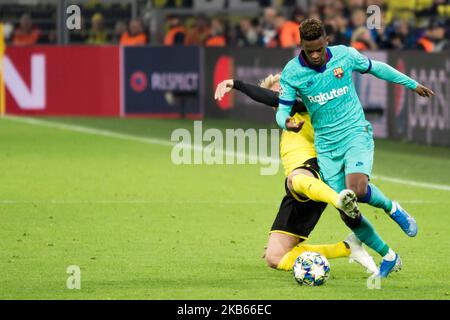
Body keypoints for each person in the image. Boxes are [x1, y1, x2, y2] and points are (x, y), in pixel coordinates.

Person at [276, 18, 434, 277]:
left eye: (318, 48)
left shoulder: (345, 56)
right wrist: (287, 122)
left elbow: (377, 68)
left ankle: (392, 208)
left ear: (326, 40)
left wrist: (411, 84)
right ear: (301, 45)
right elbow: (281, 110)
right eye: (308, 50)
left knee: (357, 189)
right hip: (326, 146)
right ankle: (389, 256)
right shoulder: (292, 72)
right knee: (346, 210)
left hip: (354, 133)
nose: (314, 55)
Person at [214, 76, 377, 273]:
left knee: (296, 179)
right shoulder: (287, 130)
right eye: (277, 95)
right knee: (275, 257)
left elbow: (272, 98)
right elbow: (273, 99)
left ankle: (342, 201)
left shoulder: (310, 108)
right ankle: (346, 248)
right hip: (300, 195)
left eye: (283, 92)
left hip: (316, 173)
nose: (281, 97)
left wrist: (237, 84)